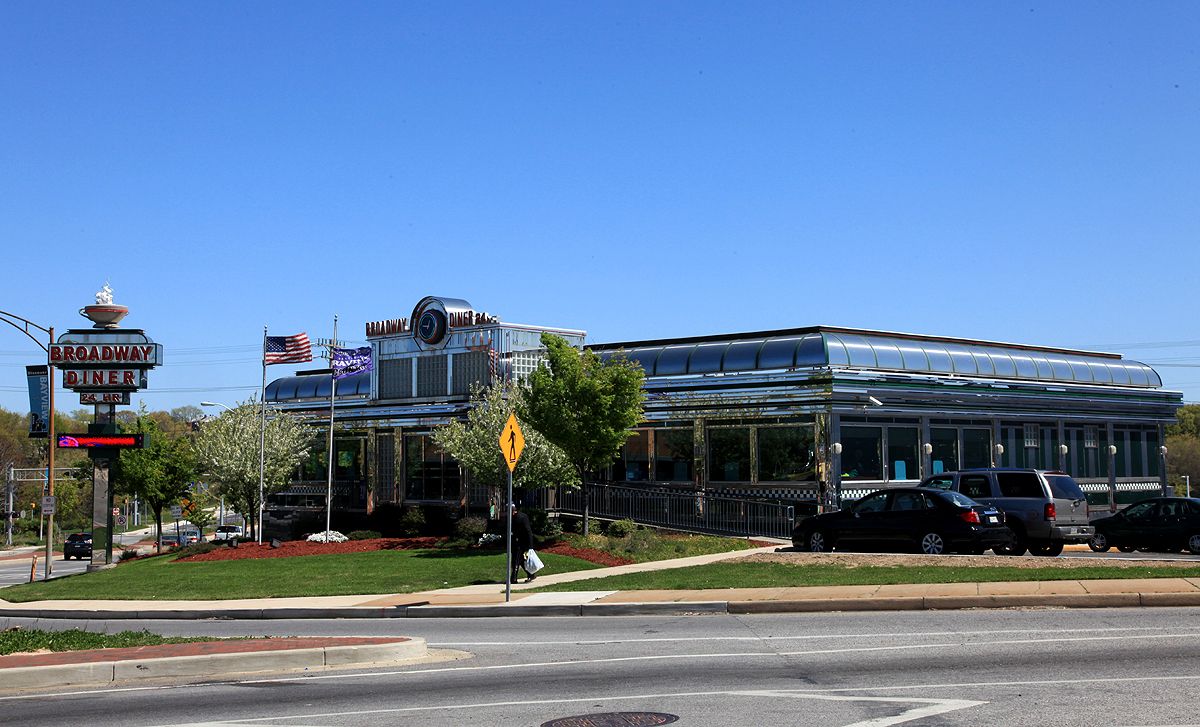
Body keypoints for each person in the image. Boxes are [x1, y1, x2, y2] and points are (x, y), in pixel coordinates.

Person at [509, 503, 536, 583]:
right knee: (519, 560)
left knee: (516, 560)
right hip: (515, 542)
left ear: (514, 511)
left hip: (522, 542)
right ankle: (531, 574)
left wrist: (530, 545)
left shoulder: (522, 517)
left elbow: (528, 531)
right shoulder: (511, 518)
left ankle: (513, 578)